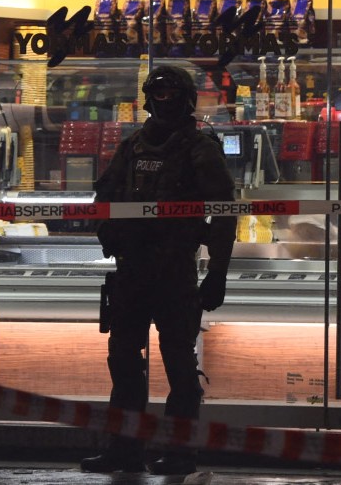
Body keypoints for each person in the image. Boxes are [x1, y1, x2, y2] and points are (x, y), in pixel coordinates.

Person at [81, 64, 237, 475]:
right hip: (132, 270)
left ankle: (181, 452)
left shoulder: (199, 147)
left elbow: (224, 213)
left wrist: (217, 273)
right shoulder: (133, 145)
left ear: (185, 98)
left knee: (180, 366)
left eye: (170, 93)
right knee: (123, 362)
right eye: (158, 93)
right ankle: (124, 449)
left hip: (174, 272)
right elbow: (105, 194)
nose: (163, 101)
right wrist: (107, 229)